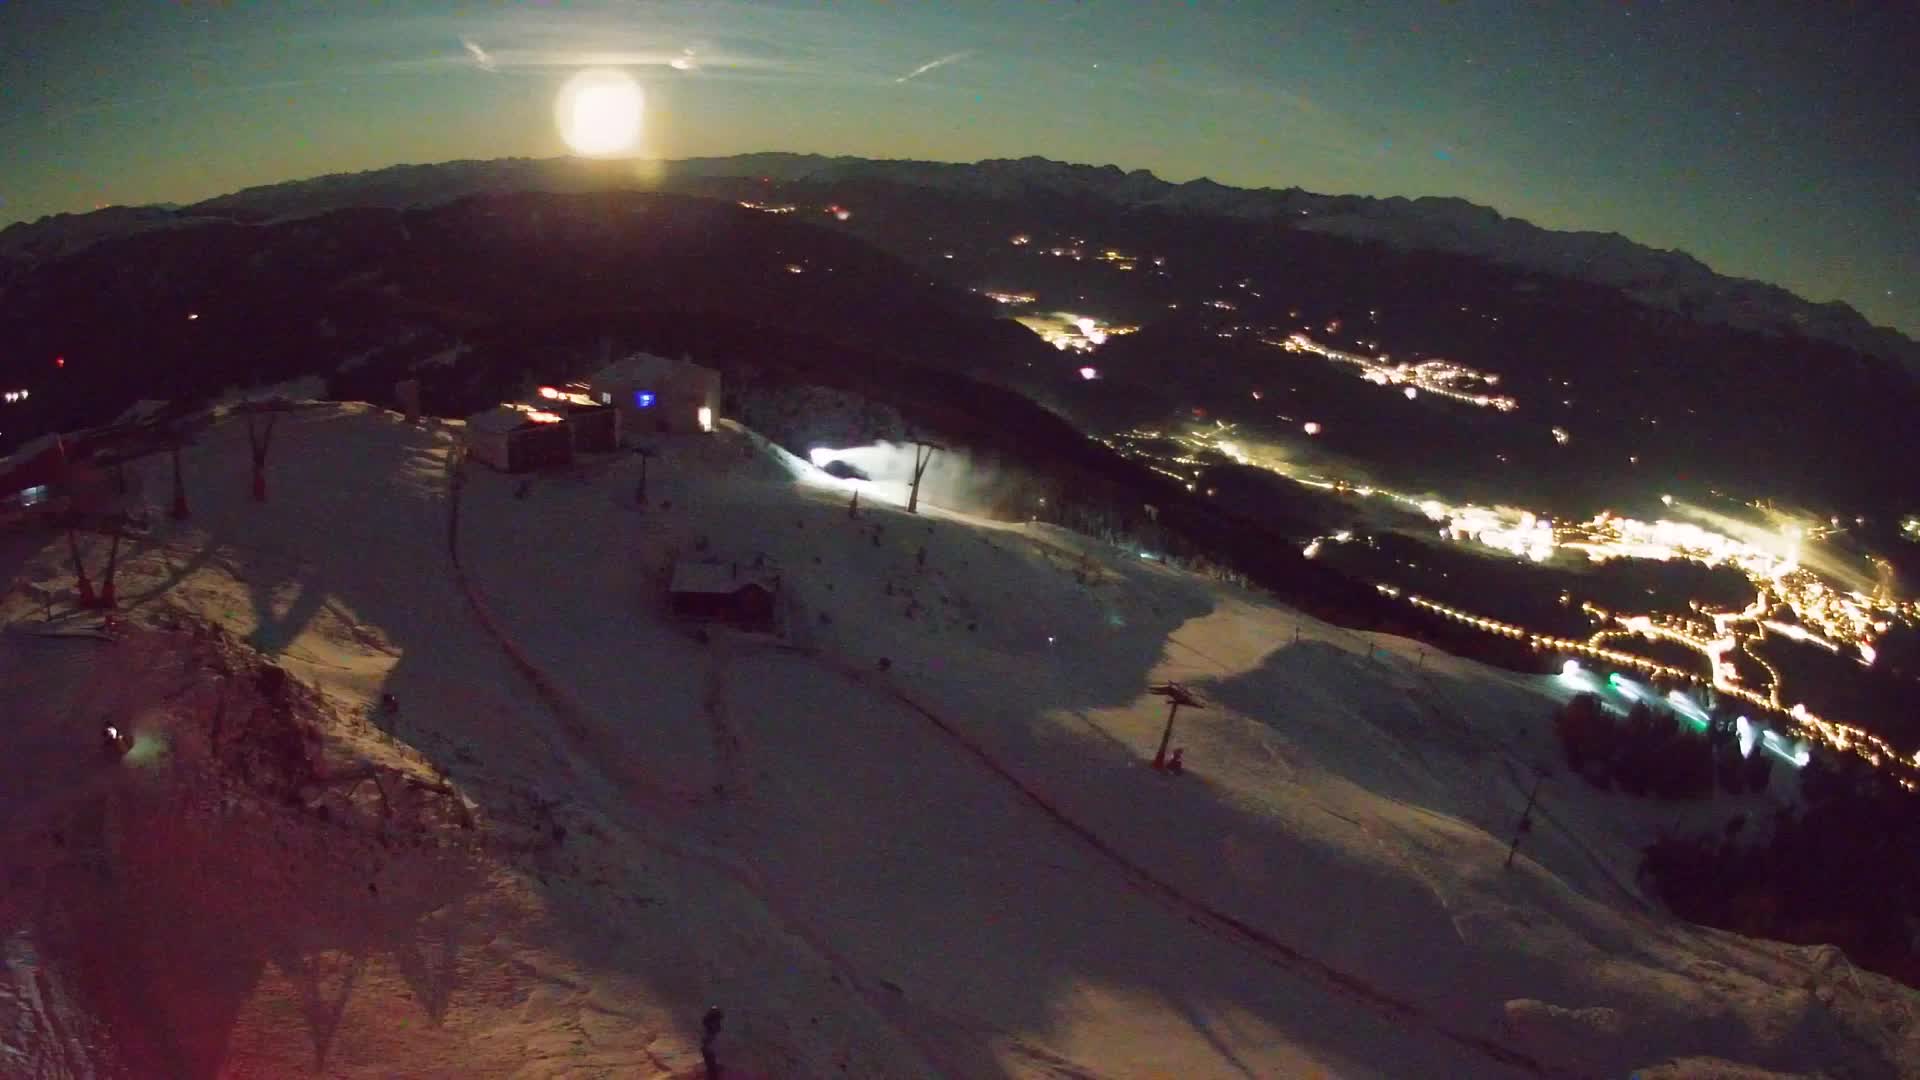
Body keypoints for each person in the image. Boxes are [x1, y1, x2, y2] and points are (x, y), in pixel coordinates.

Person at [701, 1006, 725, 1077]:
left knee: (711, 1069)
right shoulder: (712, 1026)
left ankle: (712, 1072)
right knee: (712, 1071)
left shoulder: (709, 1024)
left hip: (707, 1048)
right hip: (708, 1049)